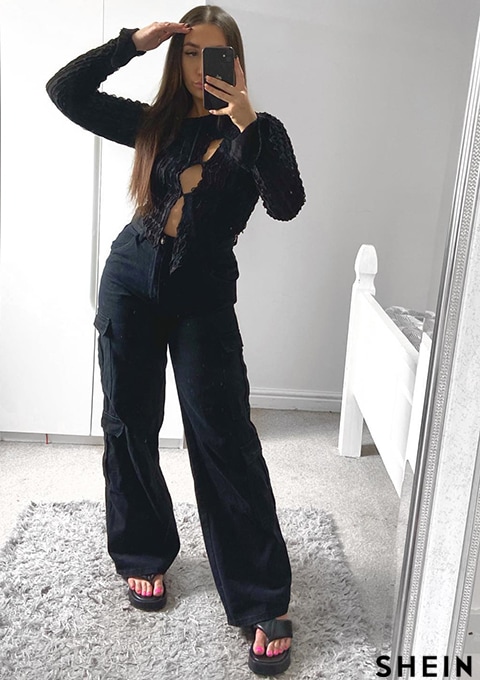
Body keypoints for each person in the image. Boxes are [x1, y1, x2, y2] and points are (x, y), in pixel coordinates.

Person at [46, 4, 305, 675]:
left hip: (202, 299)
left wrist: (247, 121)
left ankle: (260, 596)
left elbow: (287, 203)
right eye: (189, 54)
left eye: (212, 55)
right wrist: (133, 42)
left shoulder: (261, 130)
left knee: (224, 437)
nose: (198, 68)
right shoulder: (154, 123)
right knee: (128, 421)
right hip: (129, 280)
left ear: (235, 61)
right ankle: (143, 552)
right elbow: (64, 91)